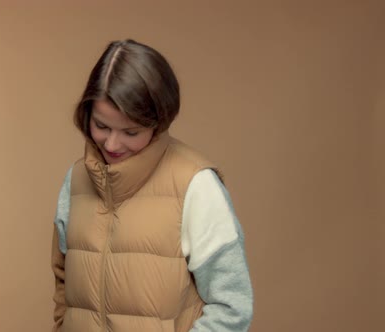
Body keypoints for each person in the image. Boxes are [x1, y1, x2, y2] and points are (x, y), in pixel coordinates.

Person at [51, 39, 253, 332]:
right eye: (101, 126)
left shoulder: (195, 185)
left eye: (131, 131)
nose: (112, 143)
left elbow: (232, 306)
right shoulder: (77, 180)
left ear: (158, 122)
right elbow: (63, 286)